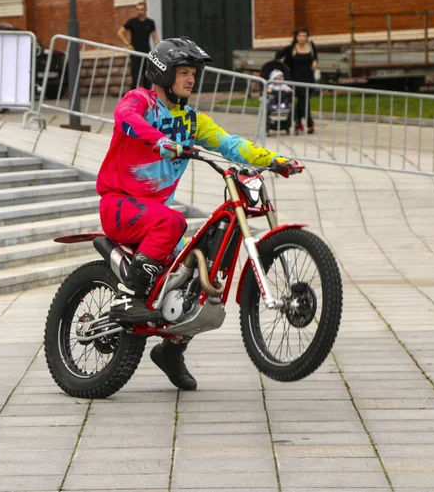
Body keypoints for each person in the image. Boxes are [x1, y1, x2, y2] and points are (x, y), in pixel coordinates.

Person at [96, 37, 301, 391]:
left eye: (194, 73)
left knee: (197, 271)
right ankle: (127, 297)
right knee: (173, 221)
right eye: (184, 72)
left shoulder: (191, 120)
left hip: (152, 215)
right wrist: (157, 138)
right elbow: (123, 117)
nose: (191, 80)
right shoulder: (141, 101)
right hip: (118, 203)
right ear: (163, 73)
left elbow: (231, 144)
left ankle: (171, 350)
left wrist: (274, 160)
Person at [275, 28, 318, 133]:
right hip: (296, 79)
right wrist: (282, 70)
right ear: (296, 37)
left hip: (309, 78)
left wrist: (315, 62)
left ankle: (298, 122)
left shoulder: (311, 46)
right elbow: (278, 55)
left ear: (307, 37)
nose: (302, 38)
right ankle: (310, 124)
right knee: (304, 100)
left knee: (303, 101)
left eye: (304, 36)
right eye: (300, 36)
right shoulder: (292, 48)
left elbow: (315, 57)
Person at [117, 2, 160, 90]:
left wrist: (159, 48)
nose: (139, 11)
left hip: (146, 54)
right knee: (135, 79)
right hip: (135, 54)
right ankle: (132, 100)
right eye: (137, 9)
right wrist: (127, 44)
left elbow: (155, 38)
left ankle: (146, 100)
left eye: (141, 9)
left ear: (145, 10)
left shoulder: (150, 22)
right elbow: (120, 32)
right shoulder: (132, 22)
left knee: (147, 80)